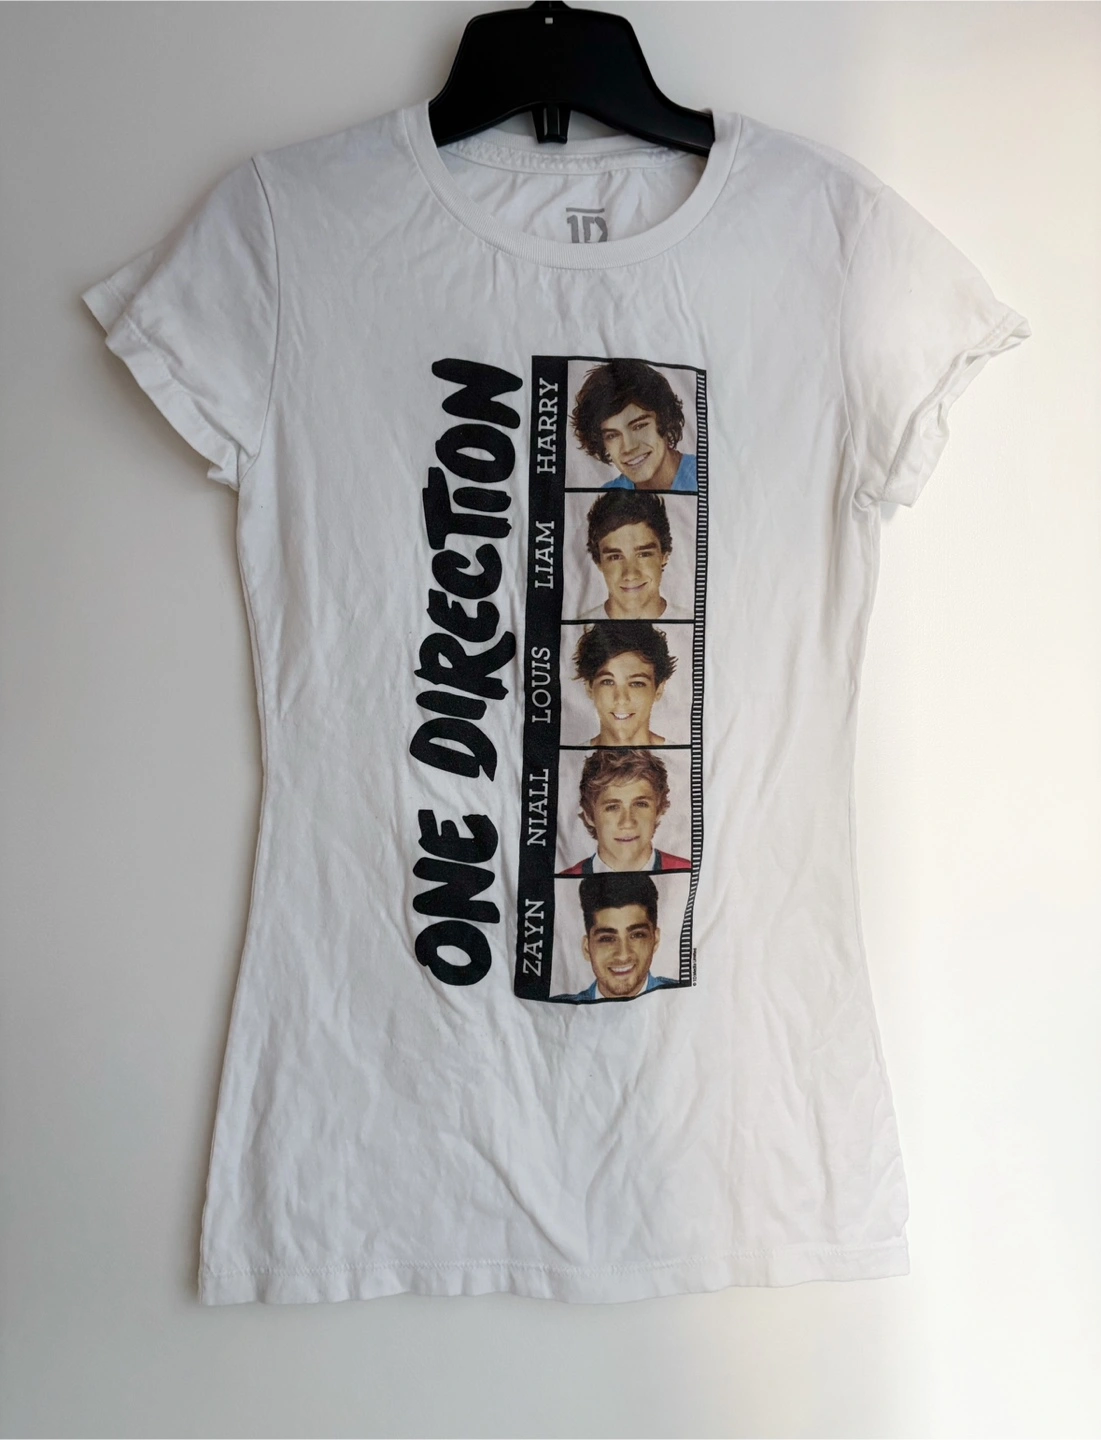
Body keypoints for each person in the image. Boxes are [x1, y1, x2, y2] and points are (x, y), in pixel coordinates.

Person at [570, 359, 698, 492]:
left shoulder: (704, 474)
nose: (628, 447)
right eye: (612, 435)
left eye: (639, 426)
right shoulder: (609, 494)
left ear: (665, 419)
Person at [558, 748, 691, 875]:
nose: (627, 823)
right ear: (589, 816)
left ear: (658, 810)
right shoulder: (564, 882)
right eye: (612, 807)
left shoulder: (686, 871)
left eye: (641, 804)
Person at [560, 871, 678, 1002]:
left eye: (637, 935)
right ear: (587, 948)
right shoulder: (560, 1010)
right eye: (607, 939)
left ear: (655, 940)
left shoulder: (682, 998)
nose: (623, 956)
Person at [578, 490, 690, 621]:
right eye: (615, 557)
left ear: (664, 556)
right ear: (599, 562)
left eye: (643, 554)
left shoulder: (693, 623)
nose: (630, 574)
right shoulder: (579, 627)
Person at [572, 621, 677, 747]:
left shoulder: (681, 757)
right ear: (589, 687)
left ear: (658, 689)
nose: (621, 699)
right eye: (608, 682)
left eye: (636, 684)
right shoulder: (573, 757)